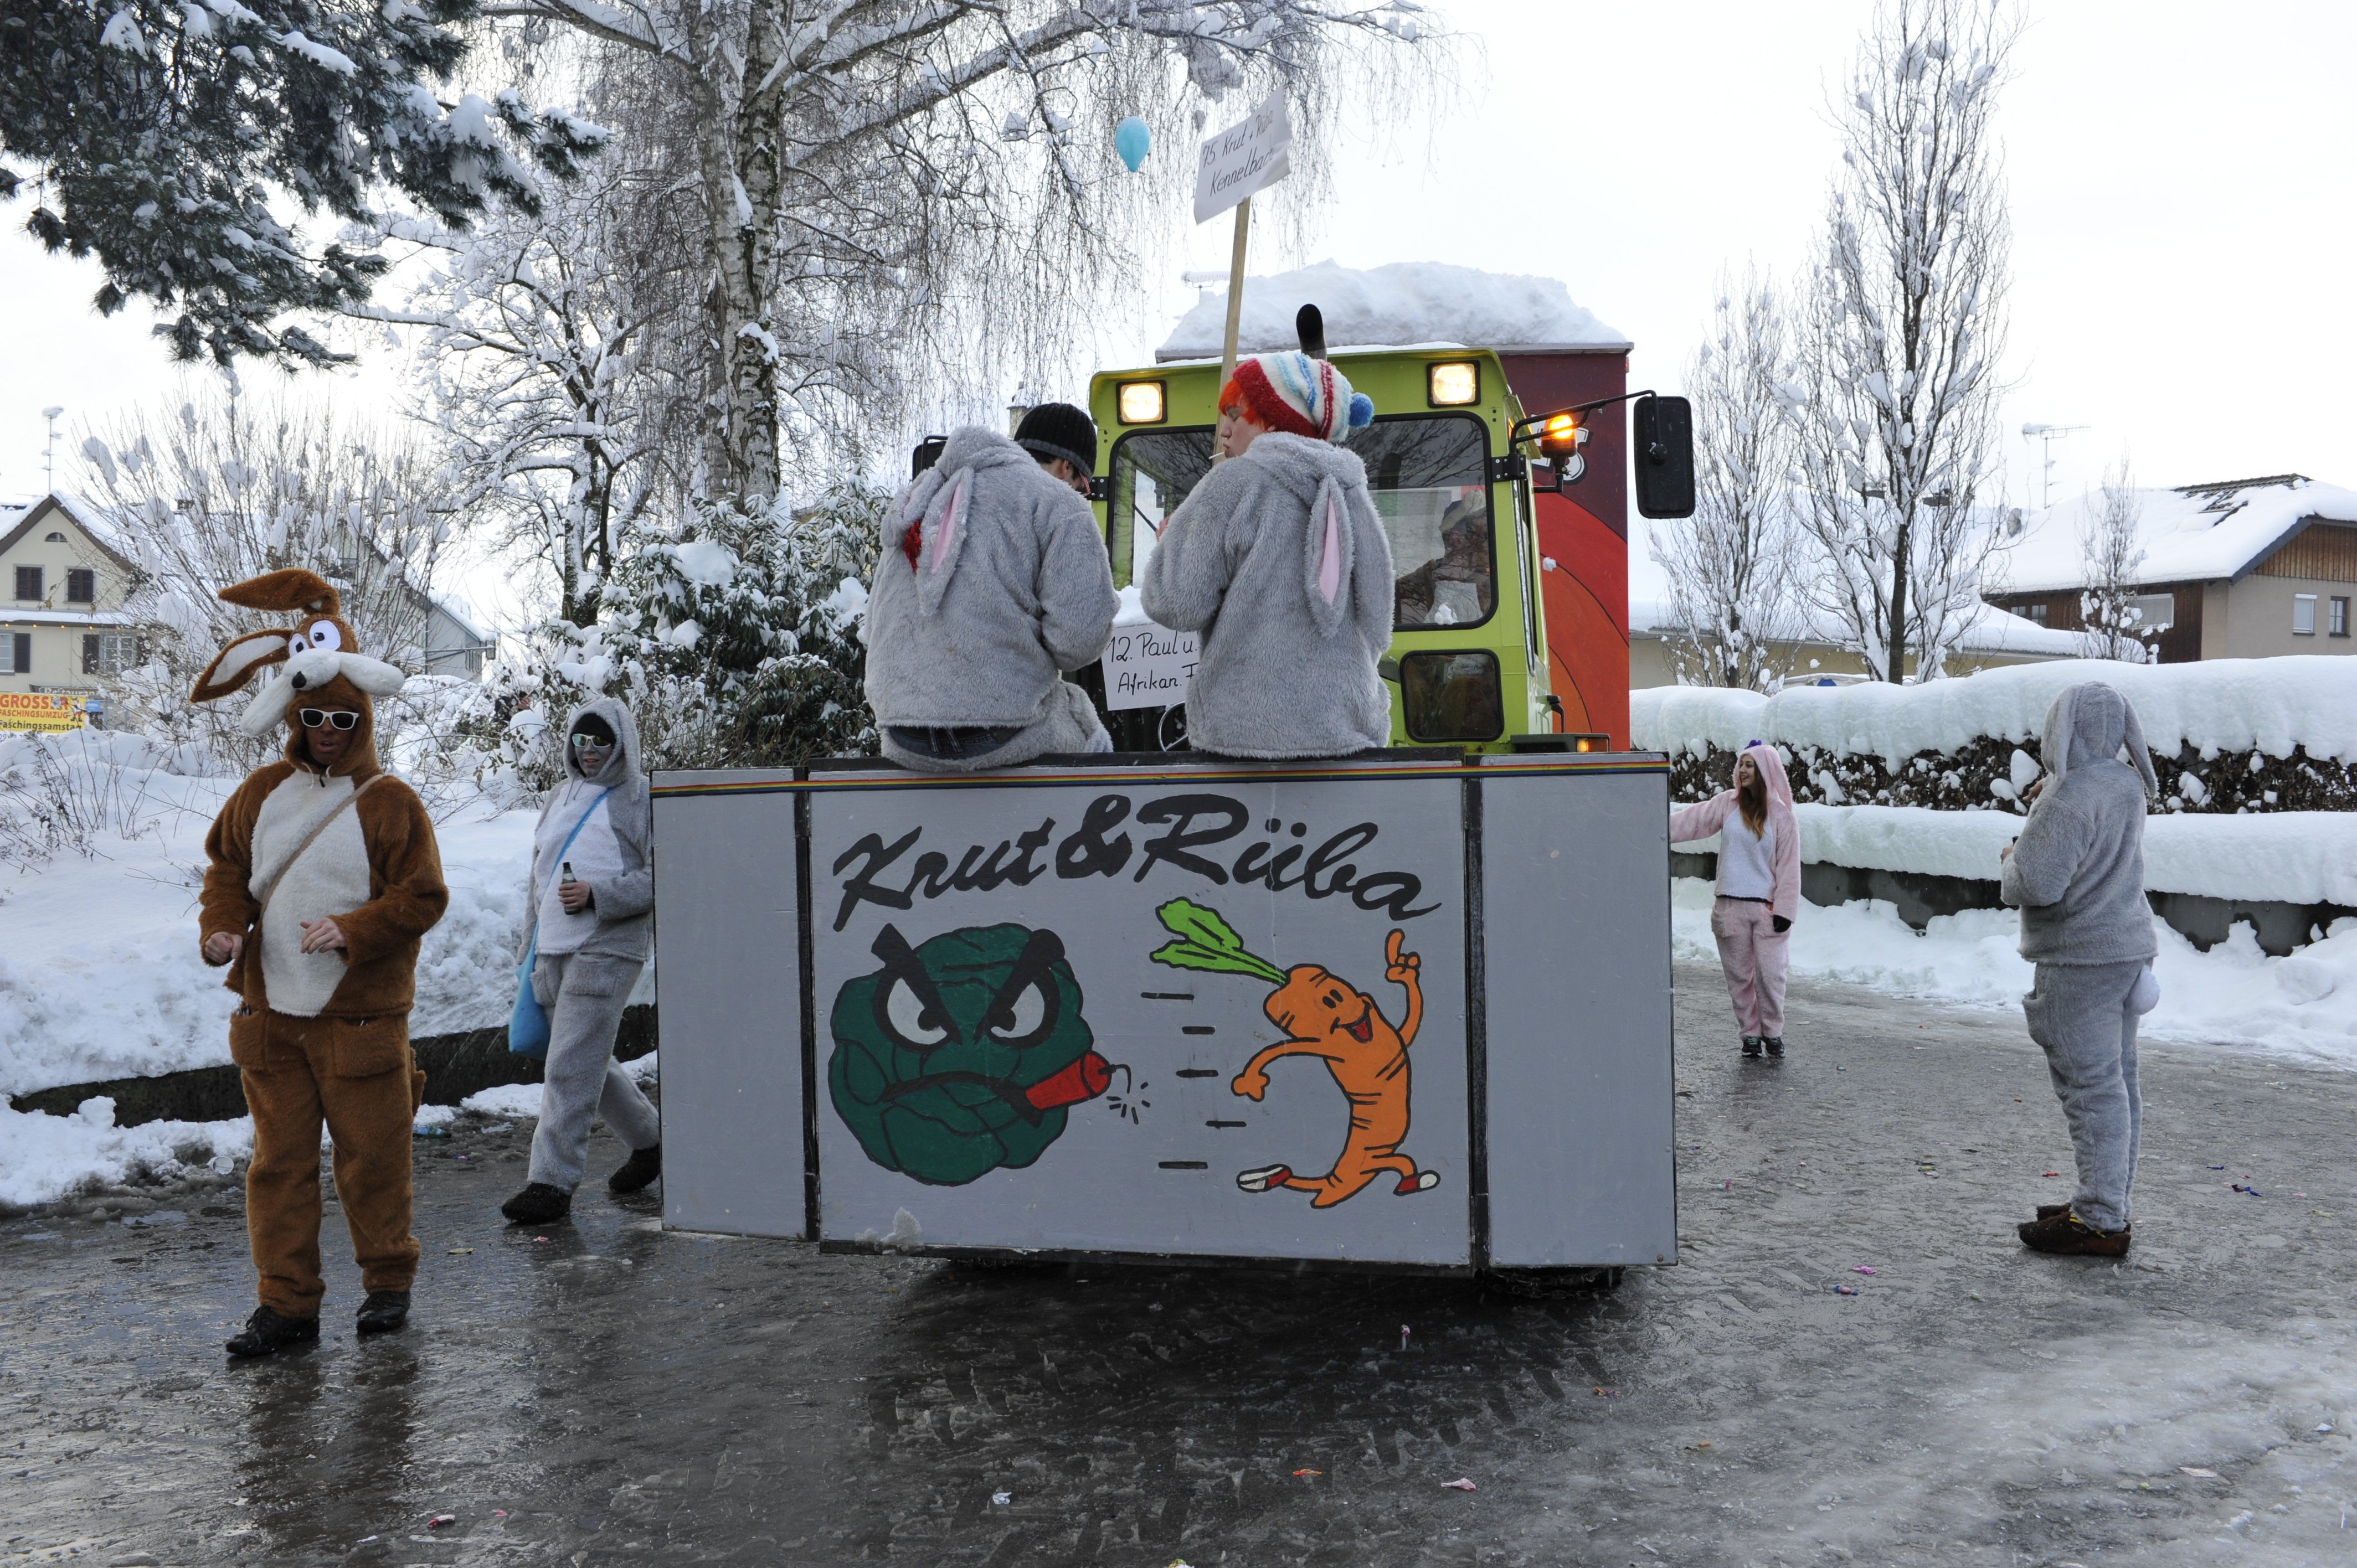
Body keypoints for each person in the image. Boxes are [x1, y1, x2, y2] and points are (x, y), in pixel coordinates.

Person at [193, 571, 447, 1358]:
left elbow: (423, 897)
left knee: (374, 1163)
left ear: (362, 715)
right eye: (314, 717)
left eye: (342, 717)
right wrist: (222, 931)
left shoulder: (390, 801)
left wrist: (354, 930)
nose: (327, 730)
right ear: (294, 716)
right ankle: (286, 1306)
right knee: (278, 1170)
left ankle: (387, 1286)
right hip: (272, 1020)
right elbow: (226, 873)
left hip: (360, 1020)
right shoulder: (261, 791)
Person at [1138, 351, 1391, 759]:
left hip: (1243, 738)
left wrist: (1171, 547)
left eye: (1235, 415)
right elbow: (1379, 614)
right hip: (1346, 734)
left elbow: (1177, 605)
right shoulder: (1352, 492)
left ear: (1272, 420)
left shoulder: (1233, 483)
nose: (1224, 431)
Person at [865, 401, 1118, 772]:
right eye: (1085, 486)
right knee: (1093, 738)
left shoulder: (920, 496)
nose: (1082, 494)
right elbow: (1078, 643)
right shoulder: (1059, 504)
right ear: (1068, 468)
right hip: (999, 733)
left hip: (902, 734)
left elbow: (873, 625)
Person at [2001, 682, 2161, 1258]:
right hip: (2125, 948)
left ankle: (2097, 1218)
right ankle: (2108, 1201)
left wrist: (2011, 862)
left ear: (2061, 727)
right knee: (2118, 1083)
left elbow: (2038, 883)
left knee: (2090, 1090)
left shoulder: (2068, 795)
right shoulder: (2126, 783)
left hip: (2079, 955)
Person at [500, 699, 663, 1226]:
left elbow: (667, 873)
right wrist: (528, 950)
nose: (589, 751)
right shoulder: (558, 796)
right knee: (581, 1058)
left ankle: (551, 1183)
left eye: (601, 742)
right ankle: (651, 1142)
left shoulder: (641, 797)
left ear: (622, 744)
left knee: (570, 1065)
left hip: (607, 949)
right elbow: (540, 877)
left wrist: (599, 895)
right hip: (551, 949)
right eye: (581, 741)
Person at [1668, 742, 1801, 1059]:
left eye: (1749, 765)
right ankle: (1750, 1034)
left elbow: (1789, 866)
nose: (1742, 770)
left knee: (1771, 976)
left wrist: (1785, 909)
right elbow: (1690, 822)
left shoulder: (1782, 816)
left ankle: (1773, 1031)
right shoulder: (1727, 805)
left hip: (1767, 910)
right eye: (1741, 764)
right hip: (1730, 907)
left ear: (1765, 770)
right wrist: (1649, 825)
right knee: (1739, 978)